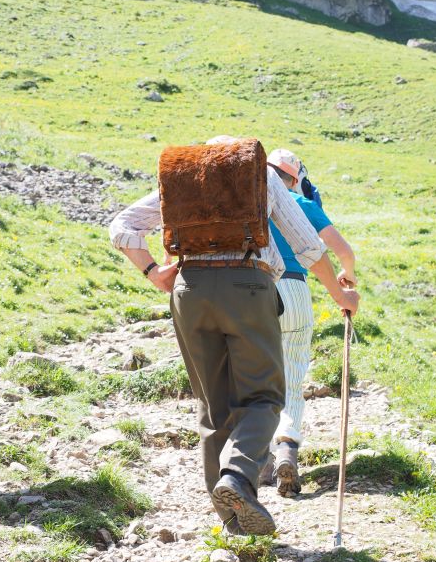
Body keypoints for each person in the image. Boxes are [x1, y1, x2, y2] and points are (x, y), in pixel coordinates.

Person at [109, 137, 359, 536]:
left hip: (189, 290)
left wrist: (153, 271)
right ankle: (240, 476)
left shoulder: (184, 178)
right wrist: (340, 293)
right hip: (248, 285)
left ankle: (232, 526)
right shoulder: (257, 174)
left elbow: (121, 226)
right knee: (264, 396)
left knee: (212, 408)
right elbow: (306, 244)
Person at [263, 148, 357, 496]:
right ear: (296, 179)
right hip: (295, 288)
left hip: (254, 291)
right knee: (292, 374)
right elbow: (342, 250)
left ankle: (257, 462)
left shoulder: (251, 201)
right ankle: (287, 446)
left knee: (254, 374)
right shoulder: (302, 204)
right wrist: (348, 275)